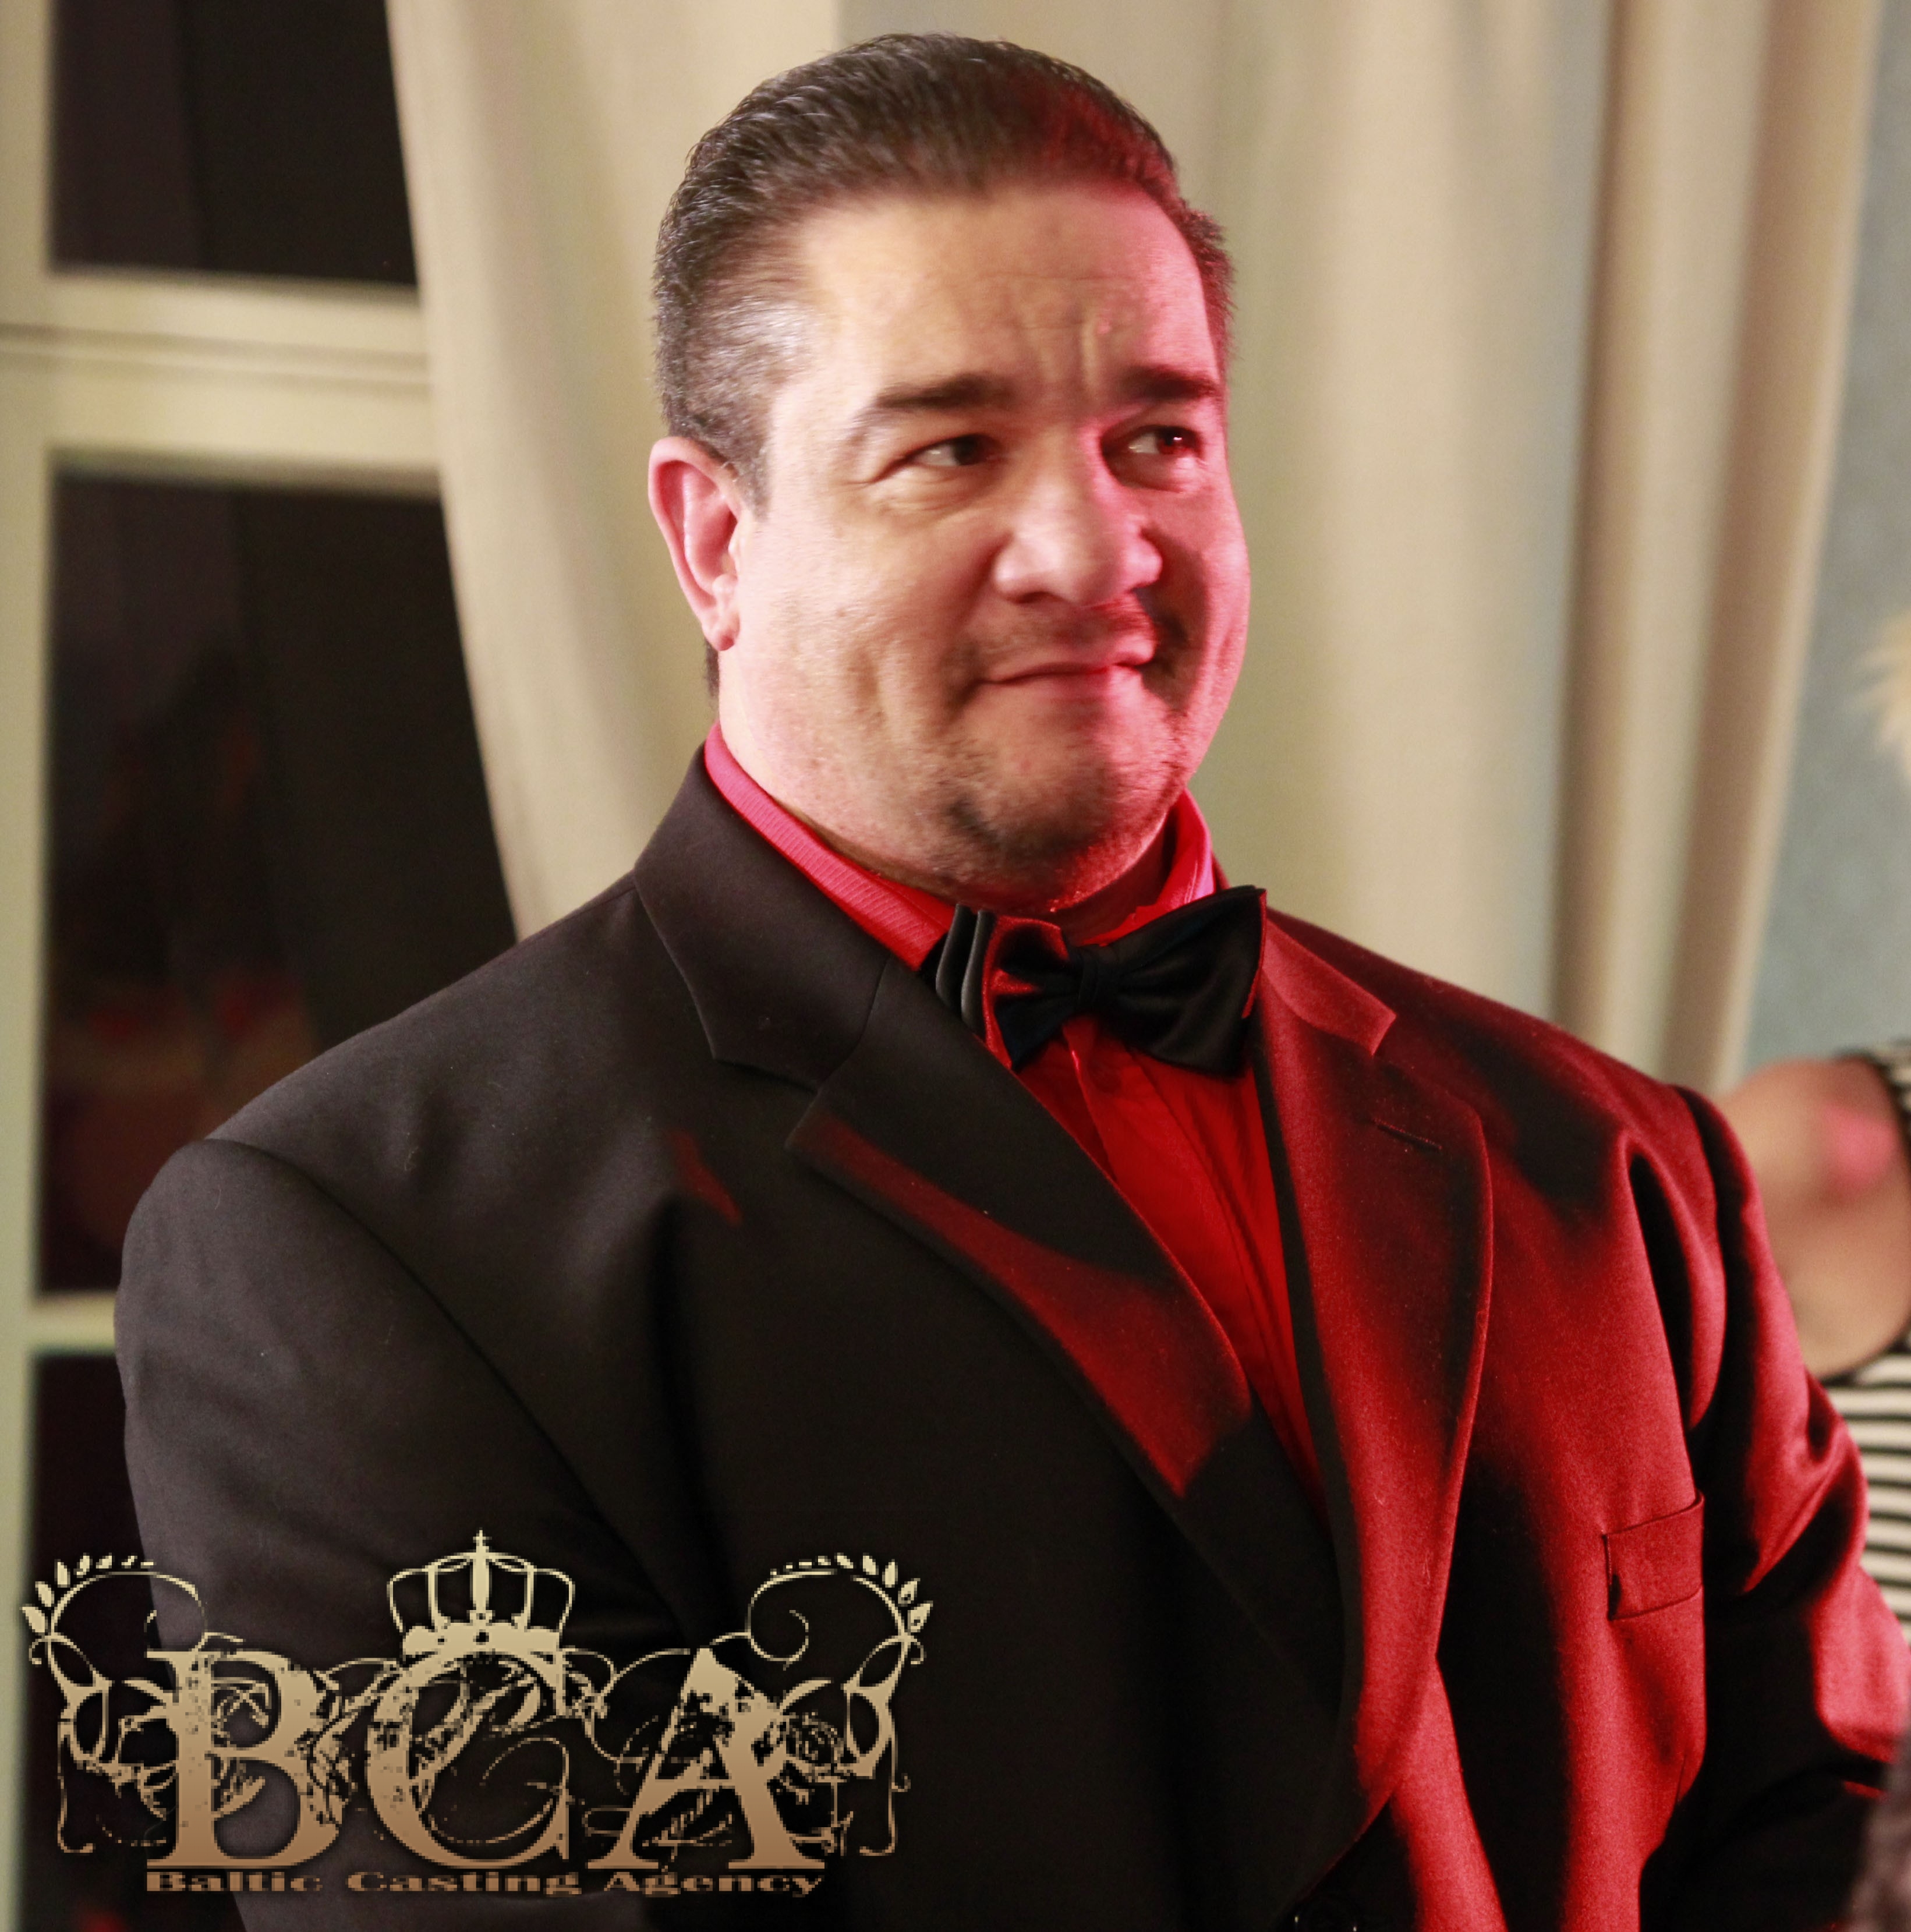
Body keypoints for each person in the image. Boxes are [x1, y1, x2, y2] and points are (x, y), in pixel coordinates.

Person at [116, 34, 1905, 1930]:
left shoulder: (1616, 1163)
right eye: (950, 451)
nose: (1091, 547)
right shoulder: (353, 1243)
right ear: (715, 540)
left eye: (1159, 440)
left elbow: (1827, 1852)